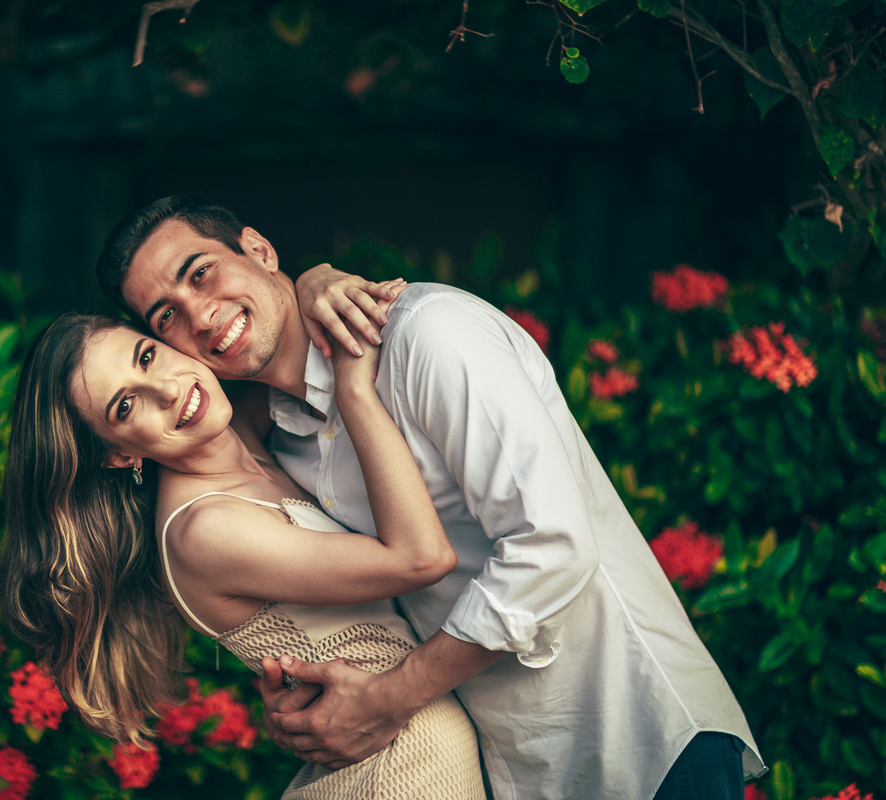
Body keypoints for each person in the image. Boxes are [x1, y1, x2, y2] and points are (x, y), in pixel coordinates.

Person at [95, 195, 768, 800]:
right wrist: (303, 699)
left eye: (202, 273)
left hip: (638, 738)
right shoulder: (282, 433)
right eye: (167, 317)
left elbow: (554, 545)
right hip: (517, 771)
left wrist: (390, 697)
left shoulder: (429, 337)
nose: (200, 314)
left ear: (260, 249)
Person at [0, 312, 488, 799]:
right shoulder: (205, 529)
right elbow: (421, 558)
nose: (167, 391)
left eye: (147, 357)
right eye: (125, 407)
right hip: (401, 767)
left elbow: (277, 344)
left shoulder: (239, 432)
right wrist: (353, 389)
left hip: (409, 743)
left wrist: (313, 284)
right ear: (117, 455)